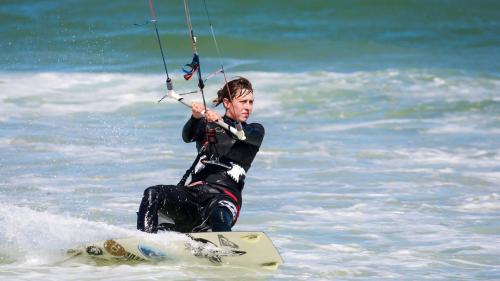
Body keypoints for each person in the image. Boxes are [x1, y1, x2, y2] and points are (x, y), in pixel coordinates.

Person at [137, 77, 264, 233]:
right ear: (227, 103)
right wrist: (195, 117)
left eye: (250, 102)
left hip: (224, 197)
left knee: (219, 216)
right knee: (153, 193)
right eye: (243, 102)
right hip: (194, 194)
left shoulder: (255, 130)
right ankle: (145, 243)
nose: (248, 107)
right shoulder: (207, 124)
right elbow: (187, 137)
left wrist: (220, 121)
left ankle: (226, 249)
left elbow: (241, 135)